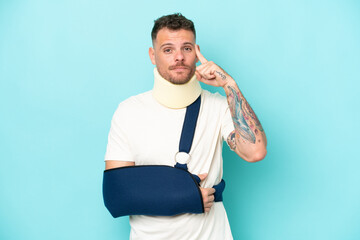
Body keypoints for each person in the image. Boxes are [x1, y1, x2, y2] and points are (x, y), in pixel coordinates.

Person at [104, 13, 267, 240]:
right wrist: (185, 196)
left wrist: (230, 85)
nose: (179, 57)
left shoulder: (218, 107)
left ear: (196, 52)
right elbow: (117, 194)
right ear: (153, 55)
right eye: (168, 49)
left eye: (187, 48)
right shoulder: (129, 111)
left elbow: (255, 151)